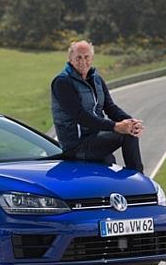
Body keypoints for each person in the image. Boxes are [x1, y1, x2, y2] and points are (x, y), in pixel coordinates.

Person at [50, 40, 144, 172]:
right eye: (78, 57)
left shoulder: (97, 79)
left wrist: (131, 121)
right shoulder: (62, 82)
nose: (83, 61)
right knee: (126, 134)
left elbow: (110, 108)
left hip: (96, 138)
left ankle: (131, 183)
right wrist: (116, 127)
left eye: (86, 57)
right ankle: (138, 179)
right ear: (70, 59)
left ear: (92, 58)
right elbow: (81, 116)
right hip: (77, 145)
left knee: (128, 132)